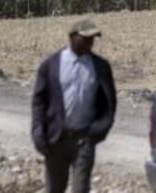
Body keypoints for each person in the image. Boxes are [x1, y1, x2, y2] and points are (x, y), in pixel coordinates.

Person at [30, 19, 117, 193]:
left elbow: (109, 104)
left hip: (84, 140)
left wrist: (98, 130)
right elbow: (39, 102)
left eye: (92, 39)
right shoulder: (51, 66)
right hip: (56, 140)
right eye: (86, 38)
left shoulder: (100, 67)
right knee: (55, 188)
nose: (90, 43)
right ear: (72, 37)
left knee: (81, 188)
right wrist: (38, 132)